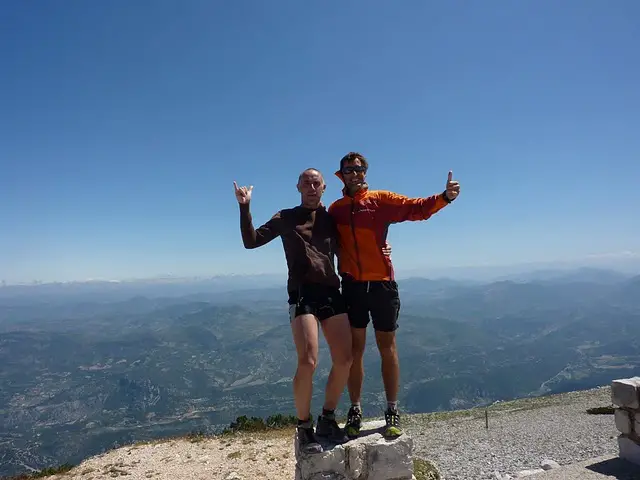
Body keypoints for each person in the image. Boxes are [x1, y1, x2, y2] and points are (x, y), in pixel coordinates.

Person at [233, 168, 391, 454]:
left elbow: (356, 243)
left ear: (324, 187)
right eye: (305, 182)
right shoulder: (286, 217)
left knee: (346, 359)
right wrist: (245, 207)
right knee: (308, 361)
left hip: (331, 292)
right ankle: (304, 426)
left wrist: (382, 250)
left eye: (315, 182)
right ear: (297, 187)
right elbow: (251, 241)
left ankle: (327, 419)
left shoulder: (332, 219)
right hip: (302, 293)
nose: (310, 186)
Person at [327, 151, 461, 439]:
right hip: (352, 285)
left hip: (382, 284)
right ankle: (356, 409)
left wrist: (444, 197)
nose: (354, 173)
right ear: (341, 174)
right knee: (356, 351)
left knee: (387, 347)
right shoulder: (335, 209)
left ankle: (391, 409)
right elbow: (326, 240)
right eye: (348, 169)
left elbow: (415, 208)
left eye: (358, 169)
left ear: (365, 172)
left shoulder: (380, 200)